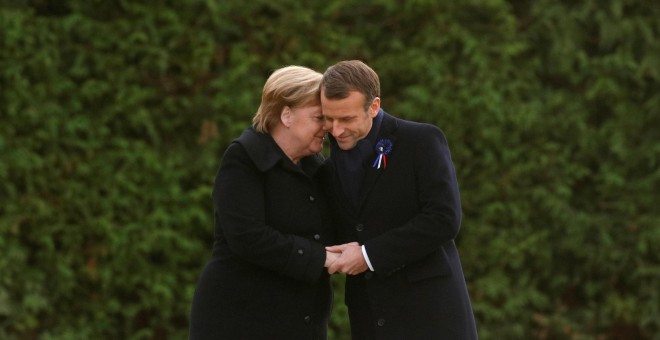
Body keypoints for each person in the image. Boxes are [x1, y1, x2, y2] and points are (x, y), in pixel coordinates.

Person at [321, 60, 478, 339]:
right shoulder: (327, 162)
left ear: (374, 106)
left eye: (346, 119)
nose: (336, 130)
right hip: (370, 315)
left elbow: (443, 219)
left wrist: (369, 256)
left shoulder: (421, 140)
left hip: (430, 314)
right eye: (328, 118)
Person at [189, 65, 339, 339]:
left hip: (300, 322)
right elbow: (248, 237)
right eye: (319, 117)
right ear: (286, 115)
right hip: (240, 320)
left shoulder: (318, 169)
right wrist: (320, 257)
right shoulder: (244, 159)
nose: (327, 127)